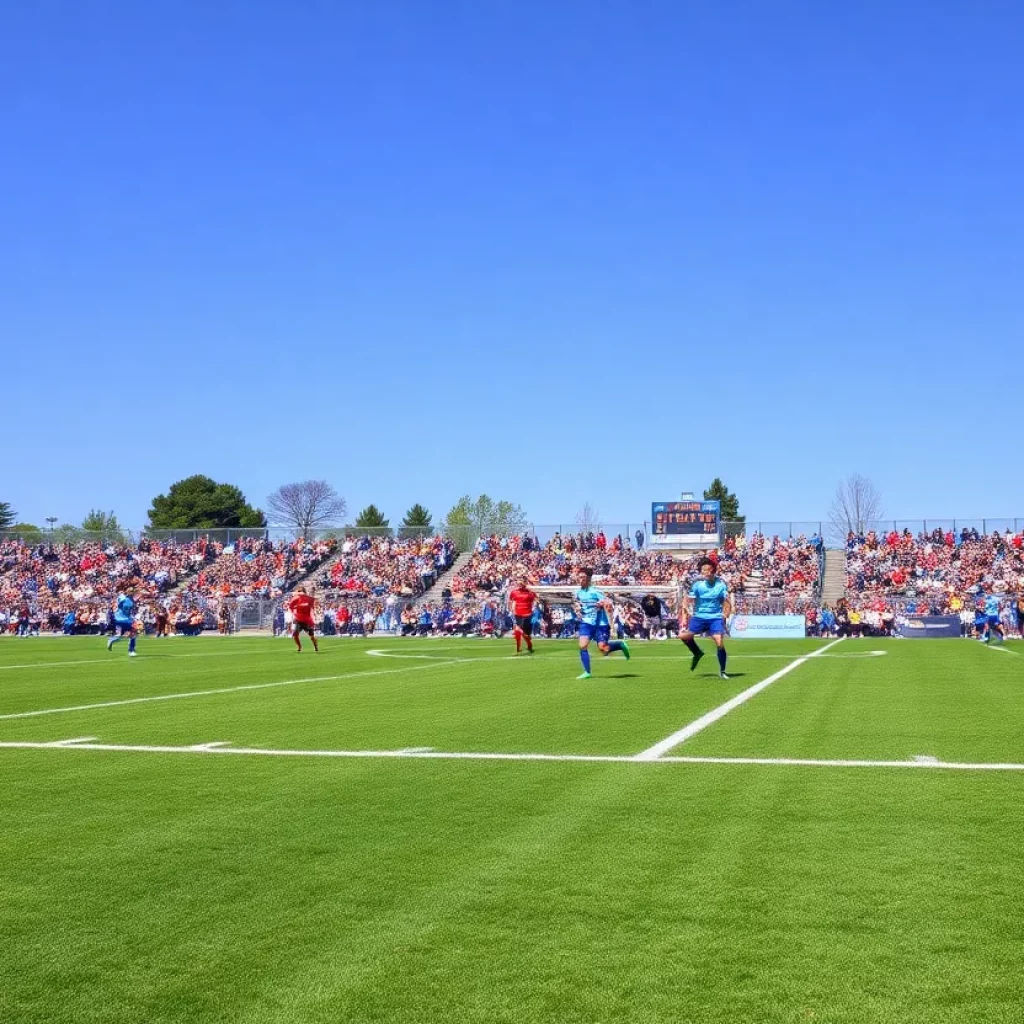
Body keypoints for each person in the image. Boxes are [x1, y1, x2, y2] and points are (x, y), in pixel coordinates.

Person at [679, 557, 731, 678]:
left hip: (715, 618)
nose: (705, 573)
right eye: (703, 571)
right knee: (683, 636)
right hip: (699, 617)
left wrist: (725, 614)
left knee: (719, 641)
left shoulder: (720, 585)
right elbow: (687, 599)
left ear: (713, 571)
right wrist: (686, 608)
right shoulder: (698, 585)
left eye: (707, 570)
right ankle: (697, 653)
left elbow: (726, 601)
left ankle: (723, 671)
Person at [574, 569, 629, 679]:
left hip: (600, 624)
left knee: (604, 648)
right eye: (579, 577)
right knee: (582, 645)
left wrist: (604, 604)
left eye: (583, 577)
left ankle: (620, 645)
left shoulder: (595, 592)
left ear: (588, 579)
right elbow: (577, 605)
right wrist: (578, 609)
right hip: (586, 622)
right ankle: (587, 672)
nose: (581, 580)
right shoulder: (577, 593)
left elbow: (608, 604)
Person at [508, 576, 538, 654]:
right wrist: (511, 609)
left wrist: (534, 608)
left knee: (526, 635)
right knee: (518, 631)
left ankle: (529, 646)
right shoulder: (514, 592)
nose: (519, 583)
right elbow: (510, 601)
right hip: (518, 614)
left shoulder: (530, 592)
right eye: (518, 581)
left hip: (528, 615)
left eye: (521, 581)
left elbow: (536, 600)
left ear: (525, 582)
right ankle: (518, 649)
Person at [107, 589, 138, 657]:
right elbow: (117, 602)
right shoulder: (123, 598)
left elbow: (130, 610)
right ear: (127, 592)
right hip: (119, 619)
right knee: (122, 635)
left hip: (126, 619)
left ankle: (131, 650)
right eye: (131, 591)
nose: (132, 592)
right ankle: (131, 650)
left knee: (132, 633)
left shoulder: (132, 601)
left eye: (133, 591)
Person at [287, 586, 319, 653]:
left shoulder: (309, 599)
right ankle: (299, 647)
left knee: (311, 637)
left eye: (300, 591)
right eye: (298, 591)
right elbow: (290, 607)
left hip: (307, 621)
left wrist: (314, 617)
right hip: (299, 620)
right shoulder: (295, 599)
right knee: (295, 635)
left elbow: (312, 603)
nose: (299, 593)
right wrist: (293, 616)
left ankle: (315, 645)